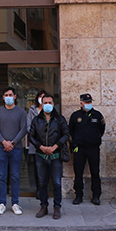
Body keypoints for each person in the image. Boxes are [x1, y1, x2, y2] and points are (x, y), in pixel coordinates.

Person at [30, 92, 70, 220]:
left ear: (54, 104)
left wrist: (55, 146)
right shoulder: (36, 120)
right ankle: (43, 206)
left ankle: (57, 207)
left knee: (57, 183)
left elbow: (66, 134)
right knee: (42, 183)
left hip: (56, 155)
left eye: (50, 103)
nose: (47, 105)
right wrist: (40, 146)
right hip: (41, 155)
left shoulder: (60, 119)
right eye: (45, 103)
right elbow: (31, 136)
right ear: (41, 104)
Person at [0, 86, 28, 215]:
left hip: (16, 148)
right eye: (6, 95)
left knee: (15, 176)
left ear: (15, 96)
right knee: (2, 176)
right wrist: (4, 142)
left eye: (10, 94)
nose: (8, 97)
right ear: (3, 97)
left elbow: (23, 129)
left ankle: (15, 203)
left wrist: (12, 142)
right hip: (1, 148)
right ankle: (2, 203)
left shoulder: (21, 112)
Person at [69, 93, 105, 205]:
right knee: (78, 172)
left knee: (95, 172)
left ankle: (96, 195)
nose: (88, 104)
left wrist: (95, 140)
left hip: (93, 148)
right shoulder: (75, 116)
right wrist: (74, 145)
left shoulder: (97, 115)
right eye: (86, 102)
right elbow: (71, 131)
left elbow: (101, 129)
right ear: (81, 103)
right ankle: (78, 195)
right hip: (79, 148)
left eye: (90, 102)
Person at [25, 90, 46, 197]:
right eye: (40, 97)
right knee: (37, 168)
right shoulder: (32, 110)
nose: (42, 99)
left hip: (47, 144)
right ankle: (39, 190)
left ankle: (45, 189)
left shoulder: (49, 109)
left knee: (47, 168)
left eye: (44, 97)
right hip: (35, 144)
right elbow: (28, 126)